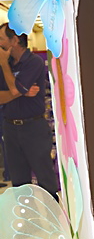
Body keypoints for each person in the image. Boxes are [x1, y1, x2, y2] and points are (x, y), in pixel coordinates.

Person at [0, 23, 58, 199]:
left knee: (46, 180)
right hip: (10, 129)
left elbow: (14, 90)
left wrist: (4, 66)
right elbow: (7, 94)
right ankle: (25, 224)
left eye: (1, 39)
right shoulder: (6, 63)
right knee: (19, 184)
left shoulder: (34, 62)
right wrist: (18, 92)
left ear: (14, 40)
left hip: (33, 128)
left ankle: (53, 222)